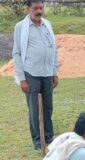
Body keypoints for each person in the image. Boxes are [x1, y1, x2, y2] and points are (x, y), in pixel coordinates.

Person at [12, 0, 59, 150]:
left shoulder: (47, 25)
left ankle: (49, 138)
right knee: (34, 109)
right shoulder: (20, 27)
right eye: (35, 8)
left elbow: (54, 49)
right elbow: (17, 52)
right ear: (28, 9)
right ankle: (38, 141)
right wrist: (22, 78)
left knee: (48, 107)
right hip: (30, 73)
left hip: (47, 73)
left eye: (41, 7)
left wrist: (54, 72)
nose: (39, 11)